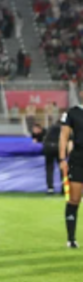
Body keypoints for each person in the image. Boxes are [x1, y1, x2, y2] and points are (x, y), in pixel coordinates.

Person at [59, 100, 83, 248]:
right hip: (78, 160)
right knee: (74, 199)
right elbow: (64, 136)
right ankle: (71, 238)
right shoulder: (72, 112)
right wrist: (62, 159)